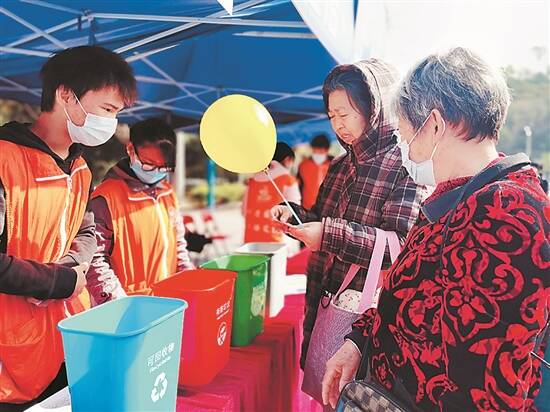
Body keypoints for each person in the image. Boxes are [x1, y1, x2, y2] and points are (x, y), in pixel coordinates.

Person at [322, 47, 550, 411]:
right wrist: (359, 342)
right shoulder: (456, 196)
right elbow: (415, 296)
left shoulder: (506, 212)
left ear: (434, 125)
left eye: (405, 134)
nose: (404, 150)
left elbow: (482, 383)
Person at [0, 45, 136, 410]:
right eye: (107, 109)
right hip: (10, 366)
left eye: (117, 113)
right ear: (65, 95)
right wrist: (57, 282)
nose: (112, 122)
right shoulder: (4, 159)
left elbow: (85, 231)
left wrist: (72, 266)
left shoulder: (80, 168)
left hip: (68, 346)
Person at [272, 59, 426, 370]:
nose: (337, 124)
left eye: (344, 114)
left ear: (375, 108)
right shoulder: (340, 165)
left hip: (369, 323)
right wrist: (294, 214)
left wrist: (328, 235)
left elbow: (401, 246)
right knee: (326, 385)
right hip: (325, 306)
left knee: (357, 390)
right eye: (331, 116)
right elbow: (321, 218)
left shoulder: (405, 165)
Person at [87, 118, 194, 304]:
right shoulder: (106, 198)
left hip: (169, 300)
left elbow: (178, 245)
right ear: (131, 150)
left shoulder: (167, 192)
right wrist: (117, 301)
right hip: (129, 303)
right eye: (149, 164)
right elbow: (94, 258)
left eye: (164, 167)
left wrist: (188, 278)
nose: (156, 172)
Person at [242, 142, 301, 243]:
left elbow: (244, 210)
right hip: (278, 240)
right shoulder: (288, 180)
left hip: (252, 238)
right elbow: (295, 212)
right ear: (288, 159)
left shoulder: (253, 180)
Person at [298, 134, 333, 210]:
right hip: (307, 207)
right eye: (315, 150)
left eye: (321, 151)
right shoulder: (303, 165)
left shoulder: (335, 165)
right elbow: (299, 186)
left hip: (328, 207)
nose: (318, 154)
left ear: (327, 150)